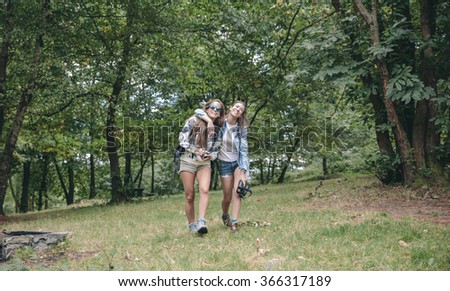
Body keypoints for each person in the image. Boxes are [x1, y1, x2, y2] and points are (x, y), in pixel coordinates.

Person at [196, 101, 250, 232]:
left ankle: (234, 223)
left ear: (241, 114)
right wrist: (209, 121)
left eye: (241, 109)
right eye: (236, 106)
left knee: (238, 192)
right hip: (224, 164)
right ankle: (225, 215)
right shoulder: (219, 123)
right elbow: (198, 111)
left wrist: (244, 170)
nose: (238, 109)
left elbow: (244, 150)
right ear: (231, 108)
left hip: (238, 162)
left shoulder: (241, 129)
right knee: (227, 197)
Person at [178, 99, 225, 235]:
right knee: (189, 195)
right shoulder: (193, 120)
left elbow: (216, 150)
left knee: (204, 190)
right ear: (207, 108)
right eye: (213, 107)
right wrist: (195, 150)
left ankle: (201, 222)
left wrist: (210, 156)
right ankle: (191, 224)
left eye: (218, 109)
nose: (215, 110)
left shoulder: (219, 129)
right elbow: (182, 139)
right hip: (187, 161)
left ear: (220, 114)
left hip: (204, 164)